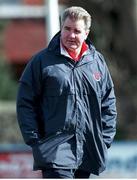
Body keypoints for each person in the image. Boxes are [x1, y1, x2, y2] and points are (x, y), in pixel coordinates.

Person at [16, 6, 117, 179]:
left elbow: (108, 102)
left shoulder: (97, 61)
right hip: (54, 152)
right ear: (61, 28)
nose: (71, 35)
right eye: (67, 29)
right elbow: (25, 102)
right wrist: (35, 140)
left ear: (86, 33)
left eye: (77, 31)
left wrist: (104, 139)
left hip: (87, 151)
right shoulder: (41, 62)